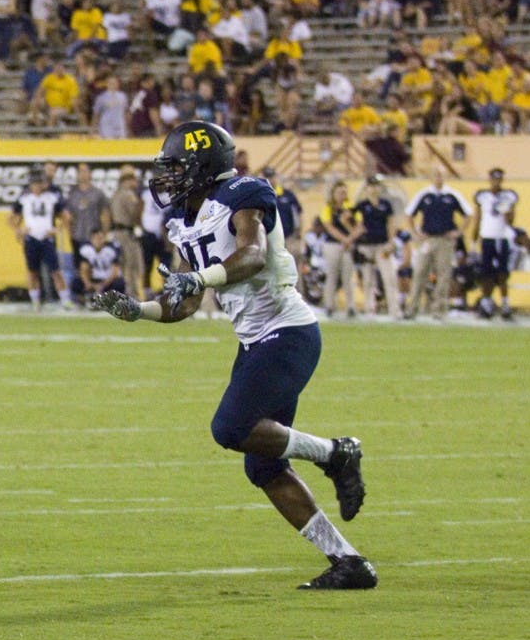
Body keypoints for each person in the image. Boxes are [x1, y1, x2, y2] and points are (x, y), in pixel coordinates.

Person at [92, 121, 376, 590]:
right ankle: (348, 562)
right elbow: (185, 302)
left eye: (177, 167)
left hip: (288, 332)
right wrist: (139, 310)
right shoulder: (184, 218)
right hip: (255, 342)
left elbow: (252, 255)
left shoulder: (242, 195)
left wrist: (199, 278)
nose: (168, 179)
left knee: (230, 428)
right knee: (262, 464)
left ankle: (334, 453)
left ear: (203, 166)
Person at [404, 167, 473, 320]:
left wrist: (459, 232)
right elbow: (409, 214)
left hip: (444, 240)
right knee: (419, 273)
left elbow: (468, 214)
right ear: (431, 177)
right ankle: (412, 308)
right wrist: (415, 233)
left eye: (441, 175)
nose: (438, 178)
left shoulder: (452, 195)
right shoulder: (424, 195)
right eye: (435, 175)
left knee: (443, 275)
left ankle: (439, 310)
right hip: (427, 239)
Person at [8, 167, 73, 311]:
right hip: (31, 238)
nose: (37, 187)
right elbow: (11, 217)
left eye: (39, 183)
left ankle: (65, 300)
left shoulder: (52, 197)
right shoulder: (24, 198)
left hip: (46, 238)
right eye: (34, 184)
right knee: (32, 271)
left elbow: (66, 216)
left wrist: (56, 230)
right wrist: (19, 230)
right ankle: (35, 300)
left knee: (55, 270)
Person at [349, 176, 401, 318]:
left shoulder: (385, 205)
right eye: (371, 186)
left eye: (376, 185)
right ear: (366, 188)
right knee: (368, 280)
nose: (374, 189)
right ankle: (370, 309)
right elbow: (348, 218)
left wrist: (391, 242)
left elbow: (391, 223)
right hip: (366, 246)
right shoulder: (362, 205)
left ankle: (395, 310)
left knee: (389, 277)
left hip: (382, 245)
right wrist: (355, 233)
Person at [472, 167, 519, 319]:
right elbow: (478, 217)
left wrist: (506, 210)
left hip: (501, 238)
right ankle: (486, 303)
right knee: (486, 273)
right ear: (490, 179)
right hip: (487, 237)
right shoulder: (482, 196)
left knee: (502, 274)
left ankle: (505, 304)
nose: (496, 182)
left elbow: (510, 221)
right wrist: (474, 238)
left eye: (498, 179)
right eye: (494, 179)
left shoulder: (508, 196)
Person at [320, 180, 358, 318]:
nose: (342, 195)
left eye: (344, 192)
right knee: (332, 275)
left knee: (348, 276)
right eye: (340, 192)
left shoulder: (351, 208)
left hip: (348, 245)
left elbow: (358, 227)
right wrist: (344, 239)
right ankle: (330, 305)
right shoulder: (328, 208)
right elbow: (329, 227)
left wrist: (350, 238)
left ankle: (351, 306)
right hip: (333, 244)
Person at [65, 162, 111, 268]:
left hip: (94, 238)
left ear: (90, 174)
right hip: (77, 237)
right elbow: (67, 216)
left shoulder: (98, 193)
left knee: (94, 268)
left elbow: (105, 214)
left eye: (85, 171)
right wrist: (70, 233)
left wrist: (104, 234)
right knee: (78, 266)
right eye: (80, 171)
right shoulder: (72, 193)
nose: (83, 174)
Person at [108, 170, 144, 300]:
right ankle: (132, 295)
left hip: (116, 232)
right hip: (127, 233)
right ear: (127, 181)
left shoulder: (115, 195)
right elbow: (134, 214)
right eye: (133, 180)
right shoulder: (129, 194)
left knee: (122, 265)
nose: (135, 183)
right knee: (133, 265)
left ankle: (123, 293)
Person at [71, 226, 125, 306]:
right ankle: (86, 300)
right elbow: (83, 269)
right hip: (93, 280)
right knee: (76, 282)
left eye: (100, 238)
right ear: (91, 239)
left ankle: (108, 300)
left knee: (119, 283)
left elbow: (115, 272)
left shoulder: (111, 249)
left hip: (107, 281)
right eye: (96, 238)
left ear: (104, 239)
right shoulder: (86, 249)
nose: (98, 241)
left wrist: (102, 285)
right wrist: (88, 283)